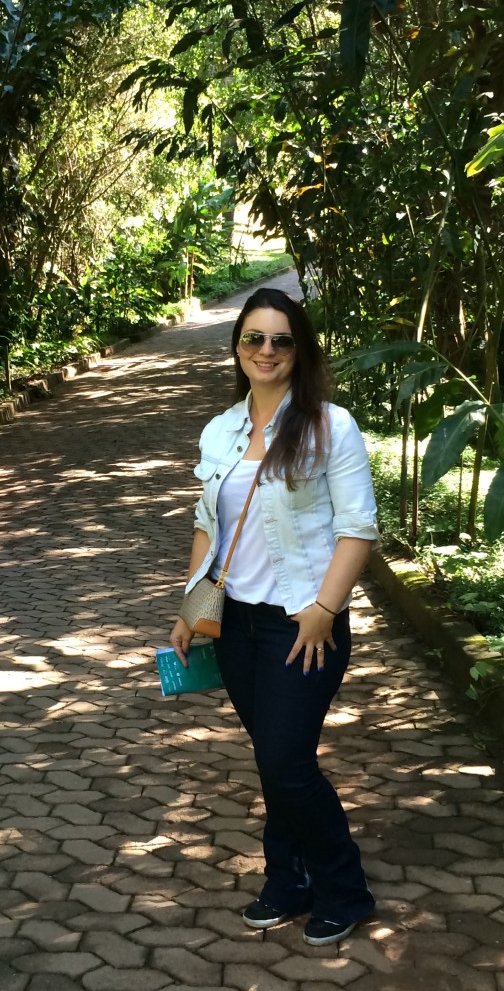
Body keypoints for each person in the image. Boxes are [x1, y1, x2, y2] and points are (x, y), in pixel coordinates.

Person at [170, 287, 378, 947]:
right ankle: (287, 881)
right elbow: (208, 524)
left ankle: (344, 889)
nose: (267, 350)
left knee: (287, 763)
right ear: (237, 347)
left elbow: (357, 528)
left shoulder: (330, 426)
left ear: (300, 349)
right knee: (272, 759)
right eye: (254, 338)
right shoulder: (221, 430)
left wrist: (324, 610)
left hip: (301, 625)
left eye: (281, 339)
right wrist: (191, 607)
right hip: (236, 625)